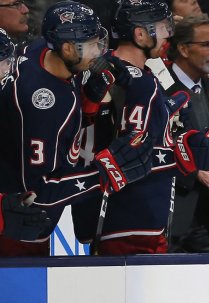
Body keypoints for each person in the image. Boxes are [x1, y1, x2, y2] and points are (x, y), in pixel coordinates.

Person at [0, 1, 151, 256]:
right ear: (68, 48)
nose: (99, 51)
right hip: (17, 235)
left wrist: (88, 101)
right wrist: (105, 172)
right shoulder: (42, 106)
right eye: (90, 45)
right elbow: (37, 194)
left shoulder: (42, 51)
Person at [93, 0, 209, 255]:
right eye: (162, 26)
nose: (168, 33)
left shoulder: (149, 74)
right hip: (129, 219)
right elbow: (130, 153)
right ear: (140, 34)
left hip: (147, 215)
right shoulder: (121, 79)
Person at [158, 14, 209, 252]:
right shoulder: (157, 87)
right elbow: (154, 146)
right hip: (168, 213)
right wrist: (195, 172)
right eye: (207, 44)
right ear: (184, 49)